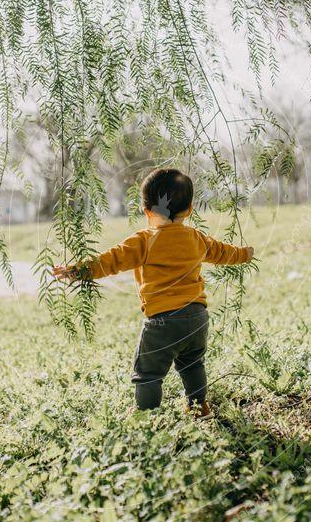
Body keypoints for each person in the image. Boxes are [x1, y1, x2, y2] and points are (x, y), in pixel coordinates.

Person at [53, 168, 254, 416]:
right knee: (192, 364)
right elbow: (225, 252)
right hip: (197, 318)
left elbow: (109, 261)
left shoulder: (144, 240)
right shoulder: (197, 238)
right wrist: (245, 254)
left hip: (163, 321)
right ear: (189, 210)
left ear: (147, 211)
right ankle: (200, 406)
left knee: (148, 373)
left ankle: (146, 416)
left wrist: (77, 270)